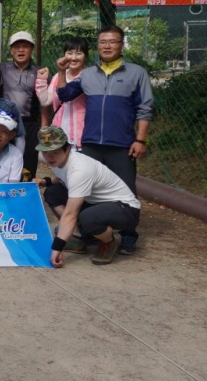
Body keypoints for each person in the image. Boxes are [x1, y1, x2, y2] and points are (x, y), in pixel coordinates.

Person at [56, 25, 153, 255]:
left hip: (121, 145)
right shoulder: (88, 74)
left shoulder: (137, 73)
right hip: (91, 144)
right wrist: (61, 72)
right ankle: (92, 233)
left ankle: (128, 235)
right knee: (88, 190)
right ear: (98, 46)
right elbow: (65, 95)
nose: (107, 46)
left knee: (127, 193)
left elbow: (145, 107)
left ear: (122, 45)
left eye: (112, 41)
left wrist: (140, 140)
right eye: (102, 42)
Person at [36, 126, 141, 267]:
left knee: (88, 218)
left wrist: (57, 248)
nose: (49, 157)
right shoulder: (59, 161)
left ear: (67, 149)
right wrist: (46, 181)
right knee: (52, 192)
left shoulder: (80, 169)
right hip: (96, 202)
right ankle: (79, 237)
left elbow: (70, 214)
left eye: (55, 152)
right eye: (45, 152)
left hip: (125, 208)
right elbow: (63, 177)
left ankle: (108, 241)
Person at [0, 30, 41, 180]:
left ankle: (25, 191)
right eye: (17, 46)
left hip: (30, 124)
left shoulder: (39, 71)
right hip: (5, 121)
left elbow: (48, 99)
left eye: (25, 46)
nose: (21, 50)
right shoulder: (2, 68)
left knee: (28, 162)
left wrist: (45, 124)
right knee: (2, 160)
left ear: (32, 49)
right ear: (11, 50)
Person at [36, 37, 89, 149]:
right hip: (59, 134)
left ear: (85, 56)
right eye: (69, 53)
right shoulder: (57, 77)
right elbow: (45, 101)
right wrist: (41, 80)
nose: (73, 58)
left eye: (79, 53)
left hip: (82, 137)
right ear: (64, 55)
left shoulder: (89, 76)